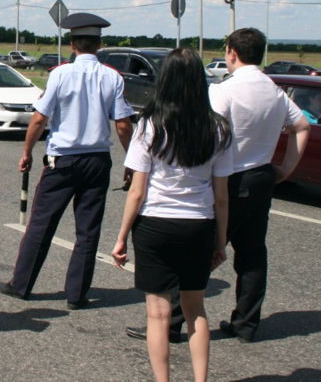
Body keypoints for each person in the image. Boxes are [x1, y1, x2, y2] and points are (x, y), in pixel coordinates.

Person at [125, 28, 310, 345]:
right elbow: (302, 126)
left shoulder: (224, 91)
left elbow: (206, 133)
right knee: (252, 254)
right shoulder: (275, 91)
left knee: (199, 255)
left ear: (231, 53)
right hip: (262, 177)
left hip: (228, 179)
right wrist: (283, 170)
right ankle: (246, 323)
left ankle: (169, 324)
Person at [112, 48, 233, 382]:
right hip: (199, 224)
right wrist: (220, 240)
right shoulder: (219, 128)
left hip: (155, 225)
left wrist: (121, 237)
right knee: (196, 310)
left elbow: (137, 191)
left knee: (158, 315)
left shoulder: (150, 124)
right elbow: (221, 196)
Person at [0, 13, 133, 309]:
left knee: (41, 224)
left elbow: (38, 119)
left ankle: (21, 285)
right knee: (88, 231)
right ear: (99, 44)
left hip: (63, 161)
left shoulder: (59, 74)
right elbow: (123, 125)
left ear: (72, 44)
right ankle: (76, 295)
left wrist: (27, 152)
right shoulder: (113, 76)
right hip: (97, 161)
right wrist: (132, 163)